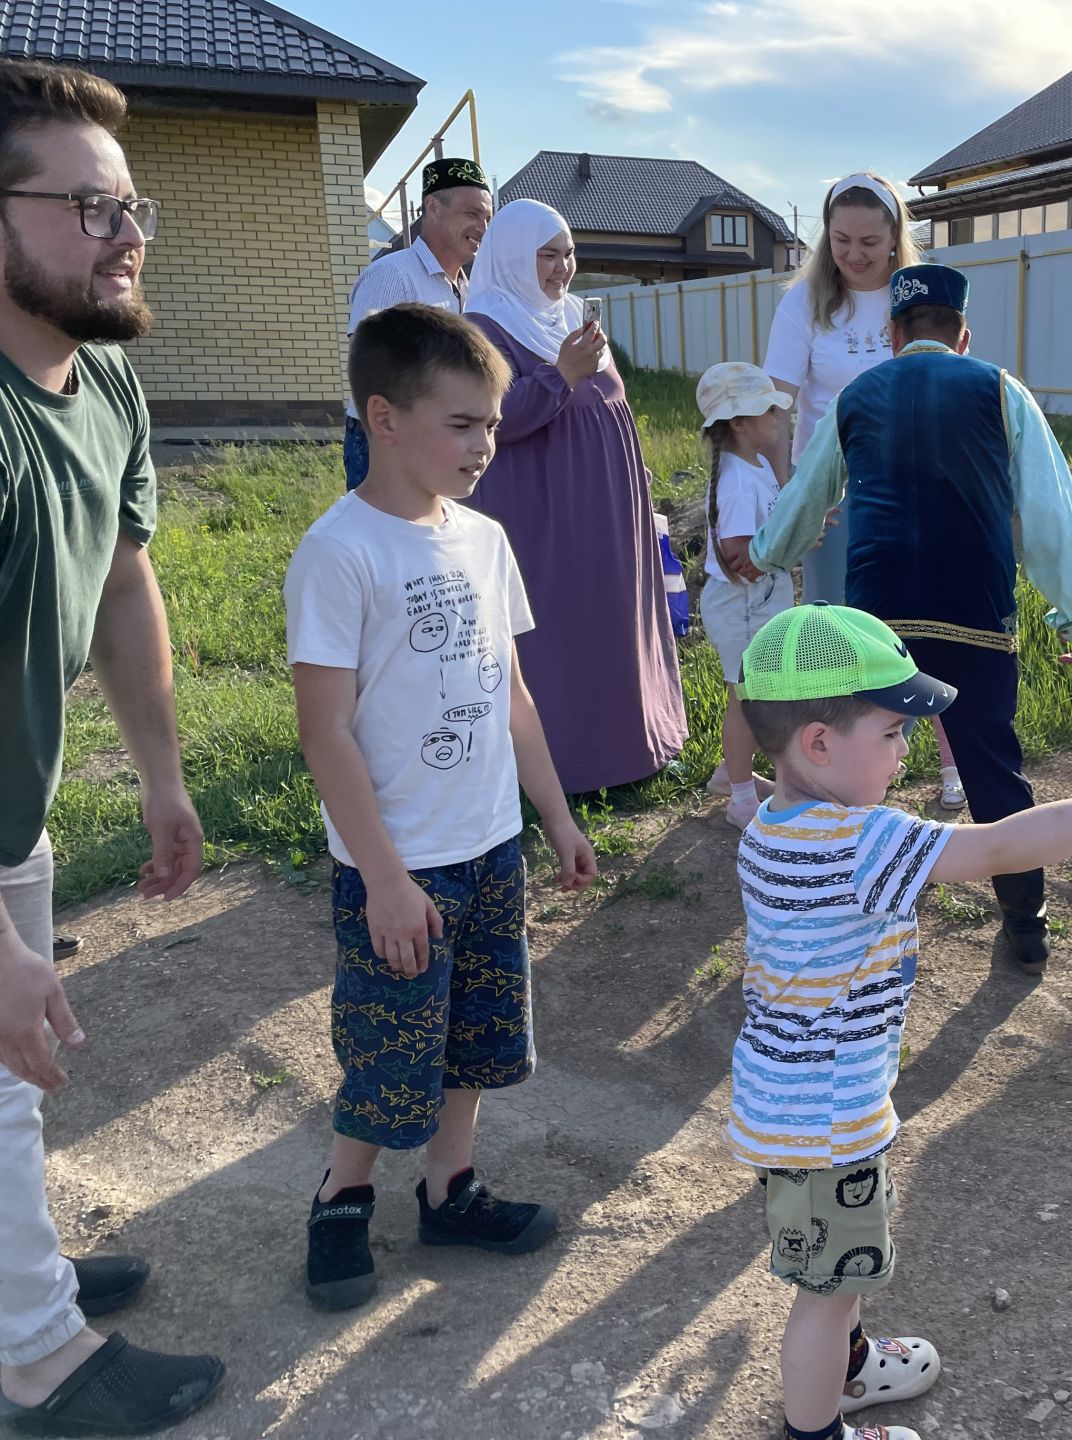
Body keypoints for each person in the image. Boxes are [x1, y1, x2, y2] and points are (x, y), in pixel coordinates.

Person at [727, 603, 1072, 1440]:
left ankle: (846, 1368)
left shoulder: (772, 821)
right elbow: (997, 847)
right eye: (889, 731)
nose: (905, 748)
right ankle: (817, 1431)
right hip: (829, 1122)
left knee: (838, 1262)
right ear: (818, 743)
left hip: (788, 1105)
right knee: (828, 1289)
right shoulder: (858, 840)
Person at [286, 303, 598, 1312]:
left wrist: (554, 815)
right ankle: (342, 1197)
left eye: (492, 424)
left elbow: (512, 695)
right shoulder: (339, 552)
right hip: (398, 864)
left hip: (490, 849)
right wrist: (382, 876)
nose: (484, 446)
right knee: (388, 1047)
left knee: (473, 1036)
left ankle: (450, 1187)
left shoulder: (487, 540)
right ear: (382, 416)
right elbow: (325, 731)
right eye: (460, 424)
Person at [0, 58, 224, 1435]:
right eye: (87, 206)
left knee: (13, 1068)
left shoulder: (102, 385)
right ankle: (36, 1364)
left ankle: (21, 1282)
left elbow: (125, 582)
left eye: (130, 203)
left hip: (10, 811)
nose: (126, 230)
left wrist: (161, 776)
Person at [751, 265, 1072, 975]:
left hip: (875, 618)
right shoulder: (1000, 390)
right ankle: (1026, 926)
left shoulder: (858, 395)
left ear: (891, 335)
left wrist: (769, 551)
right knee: (992, 766)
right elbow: (1047, 509)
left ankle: (838, 906)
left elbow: (805, 495)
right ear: (964, 335)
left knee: (857, 756)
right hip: (973, 609)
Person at [461, 198, 688, 794]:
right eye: (546, 254)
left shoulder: (568, 318)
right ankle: (569, 766)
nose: (562, 268)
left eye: (567, 254)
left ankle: (639, 745)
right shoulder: (482, 327)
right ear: (512, 256)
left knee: (618, 614)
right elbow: (492, 419)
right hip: (546, 511)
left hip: (607, 505)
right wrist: (560, 375)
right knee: (564, 627)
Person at [763, 173, 966, 812]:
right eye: (842, 240)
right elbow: (777, 407)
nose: (855, 254)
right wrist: (791, 497)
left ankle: (921, 758)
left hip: (913, 490)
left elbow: (953, 387)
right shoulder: (805, 305)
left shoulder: (919, 298)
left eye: (870, 241)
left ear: (897, 238)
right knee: (832, 629)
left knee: (916, 622)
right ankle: (833, 772)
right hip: (833, 494)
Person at [341, 157, 492, 491]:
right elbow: (367, 365)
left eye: (487, 216)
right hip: (388, 441)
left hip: (445, 442)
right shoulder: (392, 275)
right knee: (387, 539)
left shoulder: (470, 288)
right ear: (433, 207)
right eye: (471, 213)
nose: (482, 226)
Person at [697, 360, 795, 827]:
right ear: (738, 422)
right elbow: (740, 556)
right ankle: (740, 799)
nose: (778, 417)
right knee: (747, 697)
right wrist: (795, 540)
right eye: (769, 411)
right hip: (742, 604)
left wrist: (800, 526)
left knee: (759, 692)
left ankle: (731, 774)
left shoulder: (754, 466)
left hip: (758, 599)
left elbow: (766, 534)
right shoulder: (737, 479)